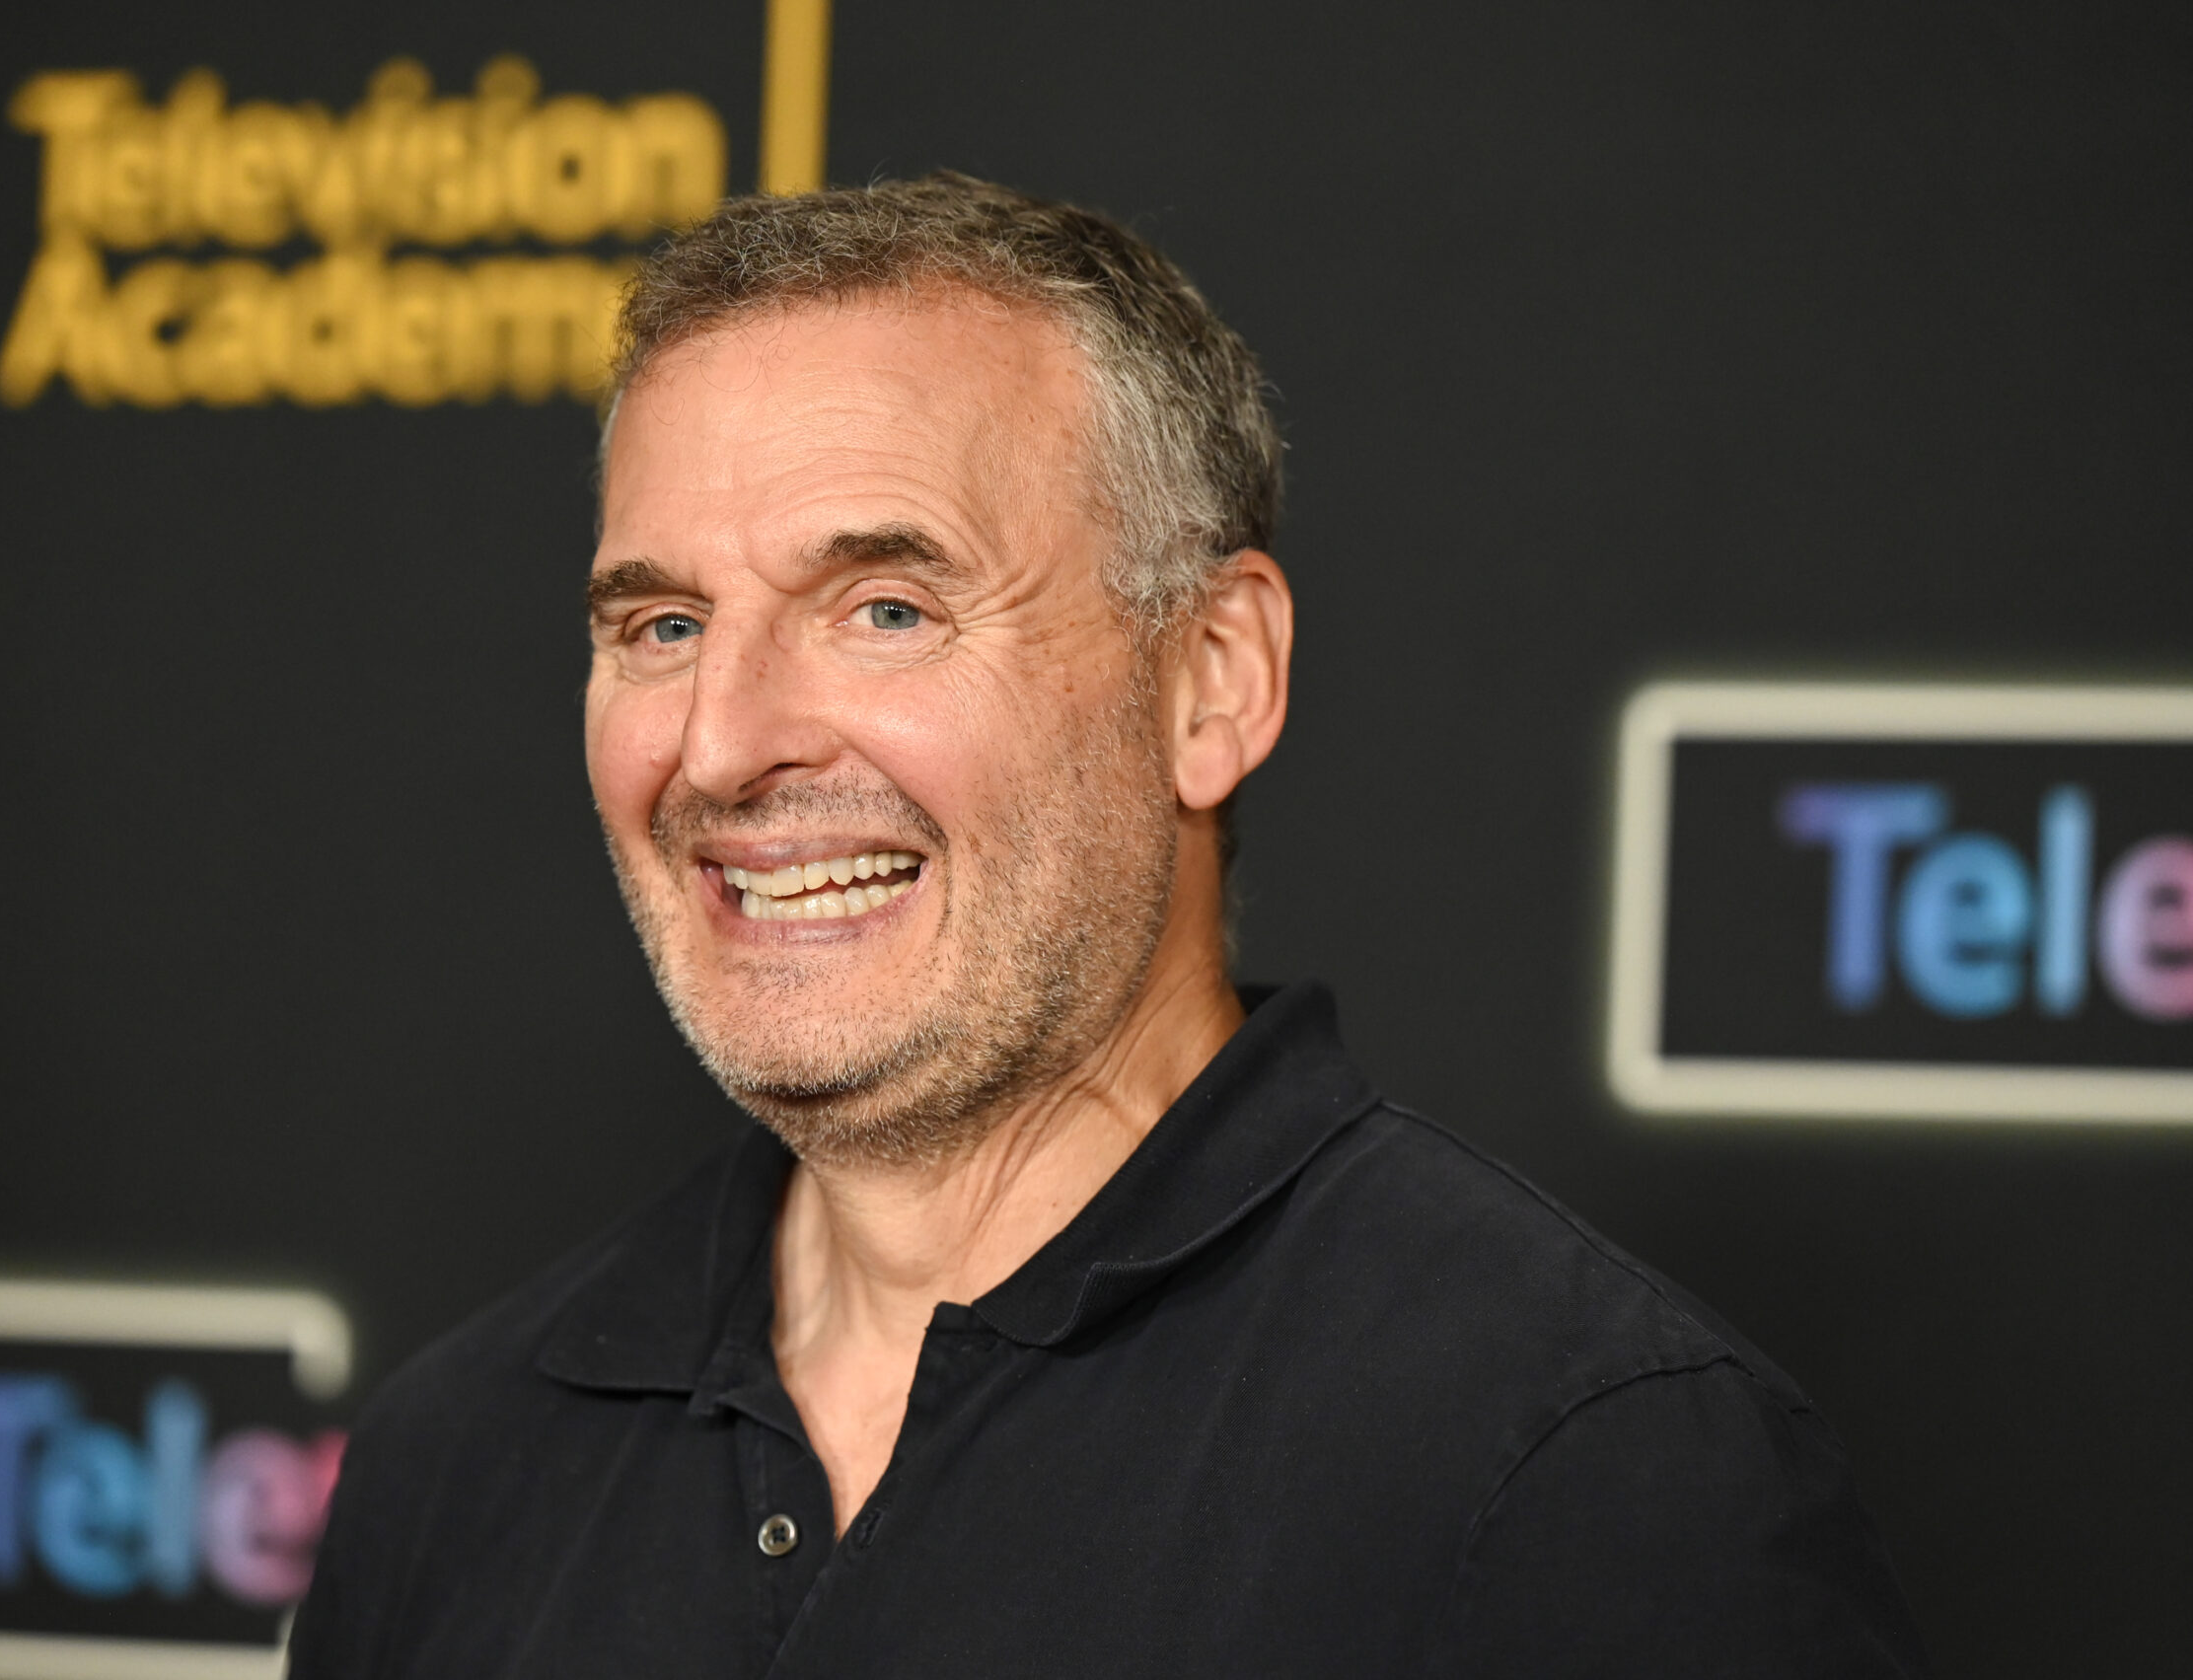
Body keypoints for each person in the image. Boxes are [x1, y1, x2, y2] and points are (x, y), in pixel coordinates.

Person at [288, 174, 1926, 1677]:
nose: (721, 745)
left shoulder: (1585, 1470)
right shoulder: (452, 1470)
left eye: (886, 609)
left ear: (1212, 680)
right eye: (661, 625)